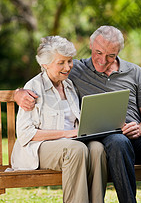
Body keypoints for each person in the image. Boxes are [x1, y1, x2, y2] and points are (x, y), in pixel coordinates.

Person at [14, 26, 141, 203]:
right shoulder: (76, 69)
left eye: (111, 55)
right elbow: (47, 75)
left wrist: (140, 128)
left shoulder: (135, 72)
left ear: (118, 51)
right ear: (91, 47)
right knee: (118, 142)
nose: (102, 60)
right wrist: (18, 93)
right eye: (98, 53)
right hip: (109, 139)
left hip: (137, 137)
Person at [11, 36, 107, 203]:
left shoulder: (69, 86)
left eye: (69, 61)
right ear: (45, 64)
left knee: (97, 148)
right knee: (75, 149)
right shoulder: (33, 88)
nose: (68, 67)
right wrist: (67, 133)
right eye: (61, 63)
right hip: (38, 149)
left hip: (72, 143)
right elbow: (25, 134)